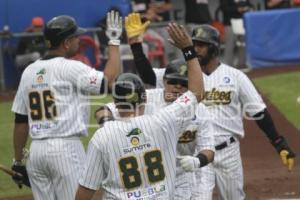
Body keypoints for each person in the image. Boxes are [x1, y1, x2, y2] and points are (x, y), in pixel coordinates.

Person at [132, 24, 296, 199]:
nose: (196, 49)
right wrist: (136, 46)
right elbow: (148, 77)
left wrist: (279, 143)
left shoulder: (236, 76)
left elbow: (258, 112)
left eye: (201, 45)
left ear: (214, 48)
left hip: (227, 152)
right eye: (193, 45)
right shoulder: (183, 73)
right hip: (195, 152)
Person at [75, 21, 205, 200]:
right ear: (144, 98)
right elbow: (197, 92)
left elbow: (85, 190)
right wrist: (188, 50)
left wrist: (107, 126)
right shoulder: (163, 121)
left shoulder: (102, 137)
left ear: (115, 101)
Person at [10, 11, 122, 200]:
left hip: (36, 153)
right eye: (76, 37)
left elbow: (21, 122)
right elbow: (108, 80)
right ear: (66, 42)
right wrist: (114, 42)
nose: (79, 40)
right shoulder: (70, 67)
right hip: (65, 150)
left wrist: (18, 161)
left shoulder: (29, 71)